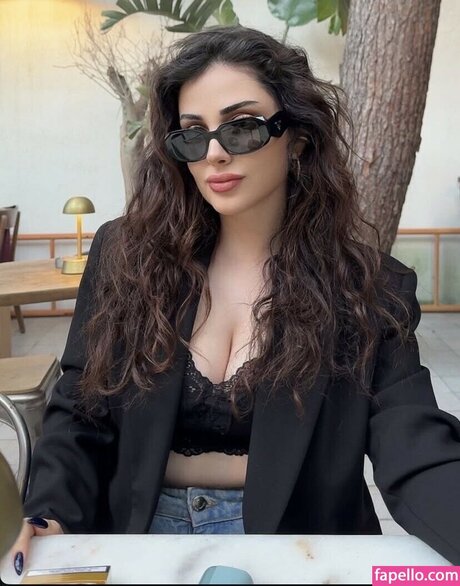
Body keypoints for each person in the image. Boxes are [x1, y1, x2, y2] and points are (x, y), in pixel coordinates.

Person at [10, 25, 460, 576]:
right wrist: (50, 514)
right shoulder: (127, 257)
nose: (215, 153)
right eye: (192, 134)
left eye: (242, 126)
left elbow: (415, 446)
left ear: (297, 137)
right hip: (136, 536)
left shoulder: (366, 288)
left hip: (295, 543)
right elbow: (81, 409)